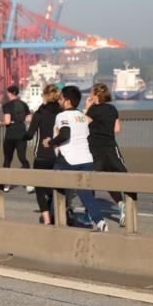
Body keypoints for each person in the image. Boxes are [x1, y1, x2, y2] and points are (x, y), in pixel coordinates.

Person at [51, 86, 107, 232]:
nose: (59, 100)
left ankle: (55, 221)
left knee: (55, 186)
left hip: (68, 159)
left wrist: (50, 142)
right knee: (85, 193)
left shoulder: (62, 115)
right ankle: (100, 222)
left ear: (67, 101)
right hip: (86, 159)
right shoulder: (82, 116)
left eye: (61, 98)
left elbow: (65, 134)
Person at [85, 83, 129, 226]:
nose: (89, 95)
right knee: (114, 177)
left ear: (96, 95)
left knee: (90, 181)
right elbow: (117, 129)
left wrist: (86, 108)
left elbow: (83, 124)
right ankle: (122, 205)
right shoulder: (112, 109)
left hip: (95, 149)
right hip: (110, 148)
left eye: (91, 93)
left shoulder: (93, 110)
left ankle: (90, 214)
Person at [25, 84, 63, 226]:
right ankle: (58, 213)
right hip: (58, 155)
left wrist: (21, 136)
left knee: (40, 188)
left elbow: (30, 134)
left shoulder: (40, 113)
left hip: (41, 155)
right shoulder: (62, 113)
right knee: (56, 186)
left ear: (45, 96)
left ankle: (47, 219)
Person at [0, 85, 32, 193]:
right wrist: (20, 121)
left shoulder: (7, 105)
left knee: (7, 159)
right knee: (22, 158)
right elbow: (29, 119)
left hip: (10, 134)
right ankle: (28, 183)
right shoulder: (24, 104)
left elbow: (7, 121)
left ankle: (6, 185)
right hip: (22, 133)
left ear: (10, 93)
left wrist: (1, 123)